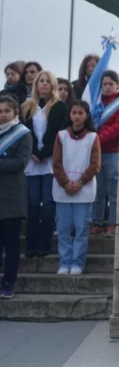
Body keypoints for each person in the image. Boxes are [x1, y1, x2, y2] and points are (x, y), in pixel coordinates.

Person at [21, 71, 68, 258]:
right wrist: (33, 152)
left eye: (48, 81)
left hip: (50, 160)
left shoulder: (59, 107)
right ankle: (31, 244)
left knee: (48, 203)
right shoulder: (26, 106)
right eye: (41, 81)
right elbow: (26, 131)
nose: (44, 84)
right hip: (32, 161)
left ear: (53, 85)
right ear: (36, 84)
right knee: (33, 203)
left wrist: (46, 152)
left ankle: (45, 244)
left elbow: (57, 131)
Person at [52, 101, 101, 275]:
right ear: (70, 115)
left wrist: (80, 182)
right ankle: (64, 262)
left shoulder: (93, 137)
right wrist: (66, 182)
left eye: (81, 113)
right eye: (74, 112)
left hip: (84, 189)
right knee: (64, 228)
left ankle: (77, 262)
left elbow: (95, 165)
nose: (77, 116)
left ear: (86, 116)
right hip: (62, 189)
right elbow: (56, 163)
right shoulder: (61, 136)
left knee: (81, 228)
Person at [0, 95, 33, 299]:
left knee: (11, 243)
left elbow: (20, 163)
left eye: (6, 111)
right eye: (0, 111)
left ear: (15, 113)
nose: (2, 115)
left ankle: (8, 282)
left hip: (12, 197)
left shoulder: (23, 135)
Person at [91, 71, 119, 237]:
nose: (106, 87)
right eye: (104, 84)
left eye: (110, 84)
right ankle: (96, 222)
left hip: (113, 151)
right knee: (97, 190)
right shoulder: (95, 101)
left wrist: (98, 139)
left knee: (113, 190)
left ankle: (112, 223)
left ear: (117, 84)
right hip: (97, 152)